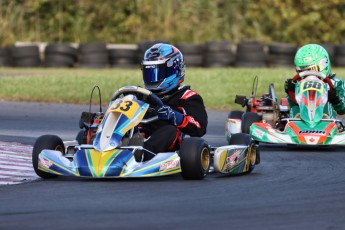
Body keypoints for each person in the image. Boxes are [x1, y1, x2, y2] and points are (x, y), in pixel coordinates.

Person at [133, 43, 208, 162]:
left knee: (169, 130)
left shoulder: (187, 97)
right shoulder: (139, 94)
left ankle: (141, 154)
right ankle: (104, 145)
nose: (153, 78)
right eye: (149, 73)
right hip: (139, 132)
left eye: (158, 72)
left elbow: (199, 128)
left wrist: (176, 117)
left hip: (168, 143)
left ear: (175, 70)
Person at [284, 44, 345, 118]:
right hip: (302, 118)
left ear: (323, 64)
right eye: (302, 71)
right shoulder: (299, 84)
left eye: (310, 69)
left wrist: (335, 100)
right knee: (294, 109)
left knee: (327, 106)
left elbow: (342, 110)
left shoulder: (337, 83)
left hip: (326, 121)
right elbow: (292, 105)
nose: (307, 73)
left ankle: (326, 120)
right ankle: (295, 124)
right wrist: (291, 90)